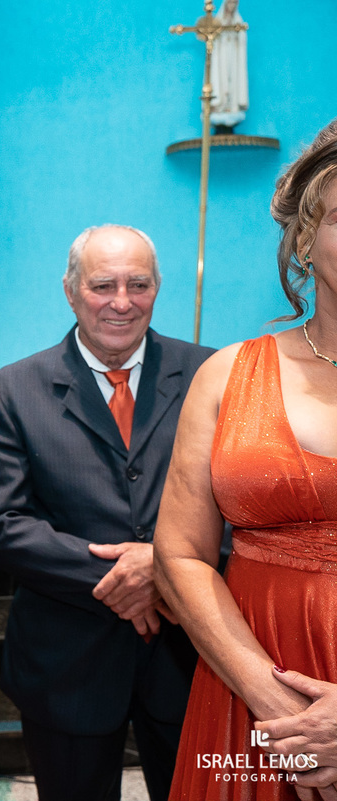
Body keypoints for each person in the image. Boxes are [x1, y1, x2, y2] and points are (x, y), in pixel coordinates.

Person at [0, 224, 213, 801]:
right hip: (66, 665)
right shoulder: (12, 391)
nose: (121, 302)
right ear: (69, 290)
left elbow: (239, 507)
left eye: (138, 284)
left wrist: (163, 568)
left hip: (192, 656)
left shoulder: (212, 376)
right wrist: (131, 576)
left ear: (158, 289)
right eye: (102, 285)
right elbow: (3, 523)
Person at [156, 120, 337, 798]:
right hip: (251, 691)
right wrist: (278, 707)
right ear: (304, 239)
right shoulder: (229, 374)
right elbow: (179, 555)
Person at [209, 0, 248, 130]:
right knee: (221, 79)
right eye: (230, 3)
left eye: (234, 3)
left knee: (233, 81)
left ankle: (231, 106)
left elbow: (242, 38)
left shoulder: (238, 21)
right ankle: (220, 106)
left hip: (233, 57)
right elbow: (212, 42)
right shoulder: (218, 21)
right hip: (221, 57)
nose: (232, 6)